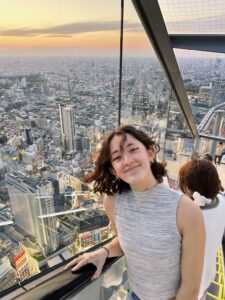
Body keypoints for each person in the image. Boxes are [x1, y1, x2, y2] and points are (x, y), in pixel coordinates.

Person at [65, 125, 205, 300]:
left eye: (133, 150)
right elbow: (124, 241)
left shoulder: (186, 210)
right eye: (117, 157)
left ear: (150, 153)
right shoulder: (113, 202)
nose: (127, 160)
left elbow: (191, 288)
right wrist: (104, 251)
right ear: (113, 170)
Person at [179, 159, 225, 300]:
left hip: (186, 287)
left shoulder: (189, 218)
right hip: (207, 276)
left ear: (188, 188)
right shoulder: (222, 202)